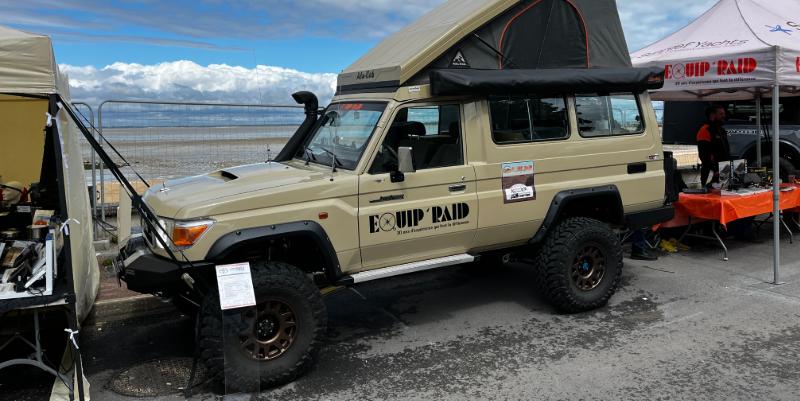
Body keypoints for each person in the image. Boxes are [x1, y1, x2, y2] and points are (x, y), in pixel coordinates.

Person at [696, 104, 730, 187]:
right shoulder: (705, 130)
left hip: (723, 170)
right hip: (712, 173)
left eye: (724, 114)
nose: (724, 116)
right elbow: (704, 154)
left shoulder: (721, 130)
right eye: (721, 114)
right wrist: (714, 170)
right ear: (712, 115)